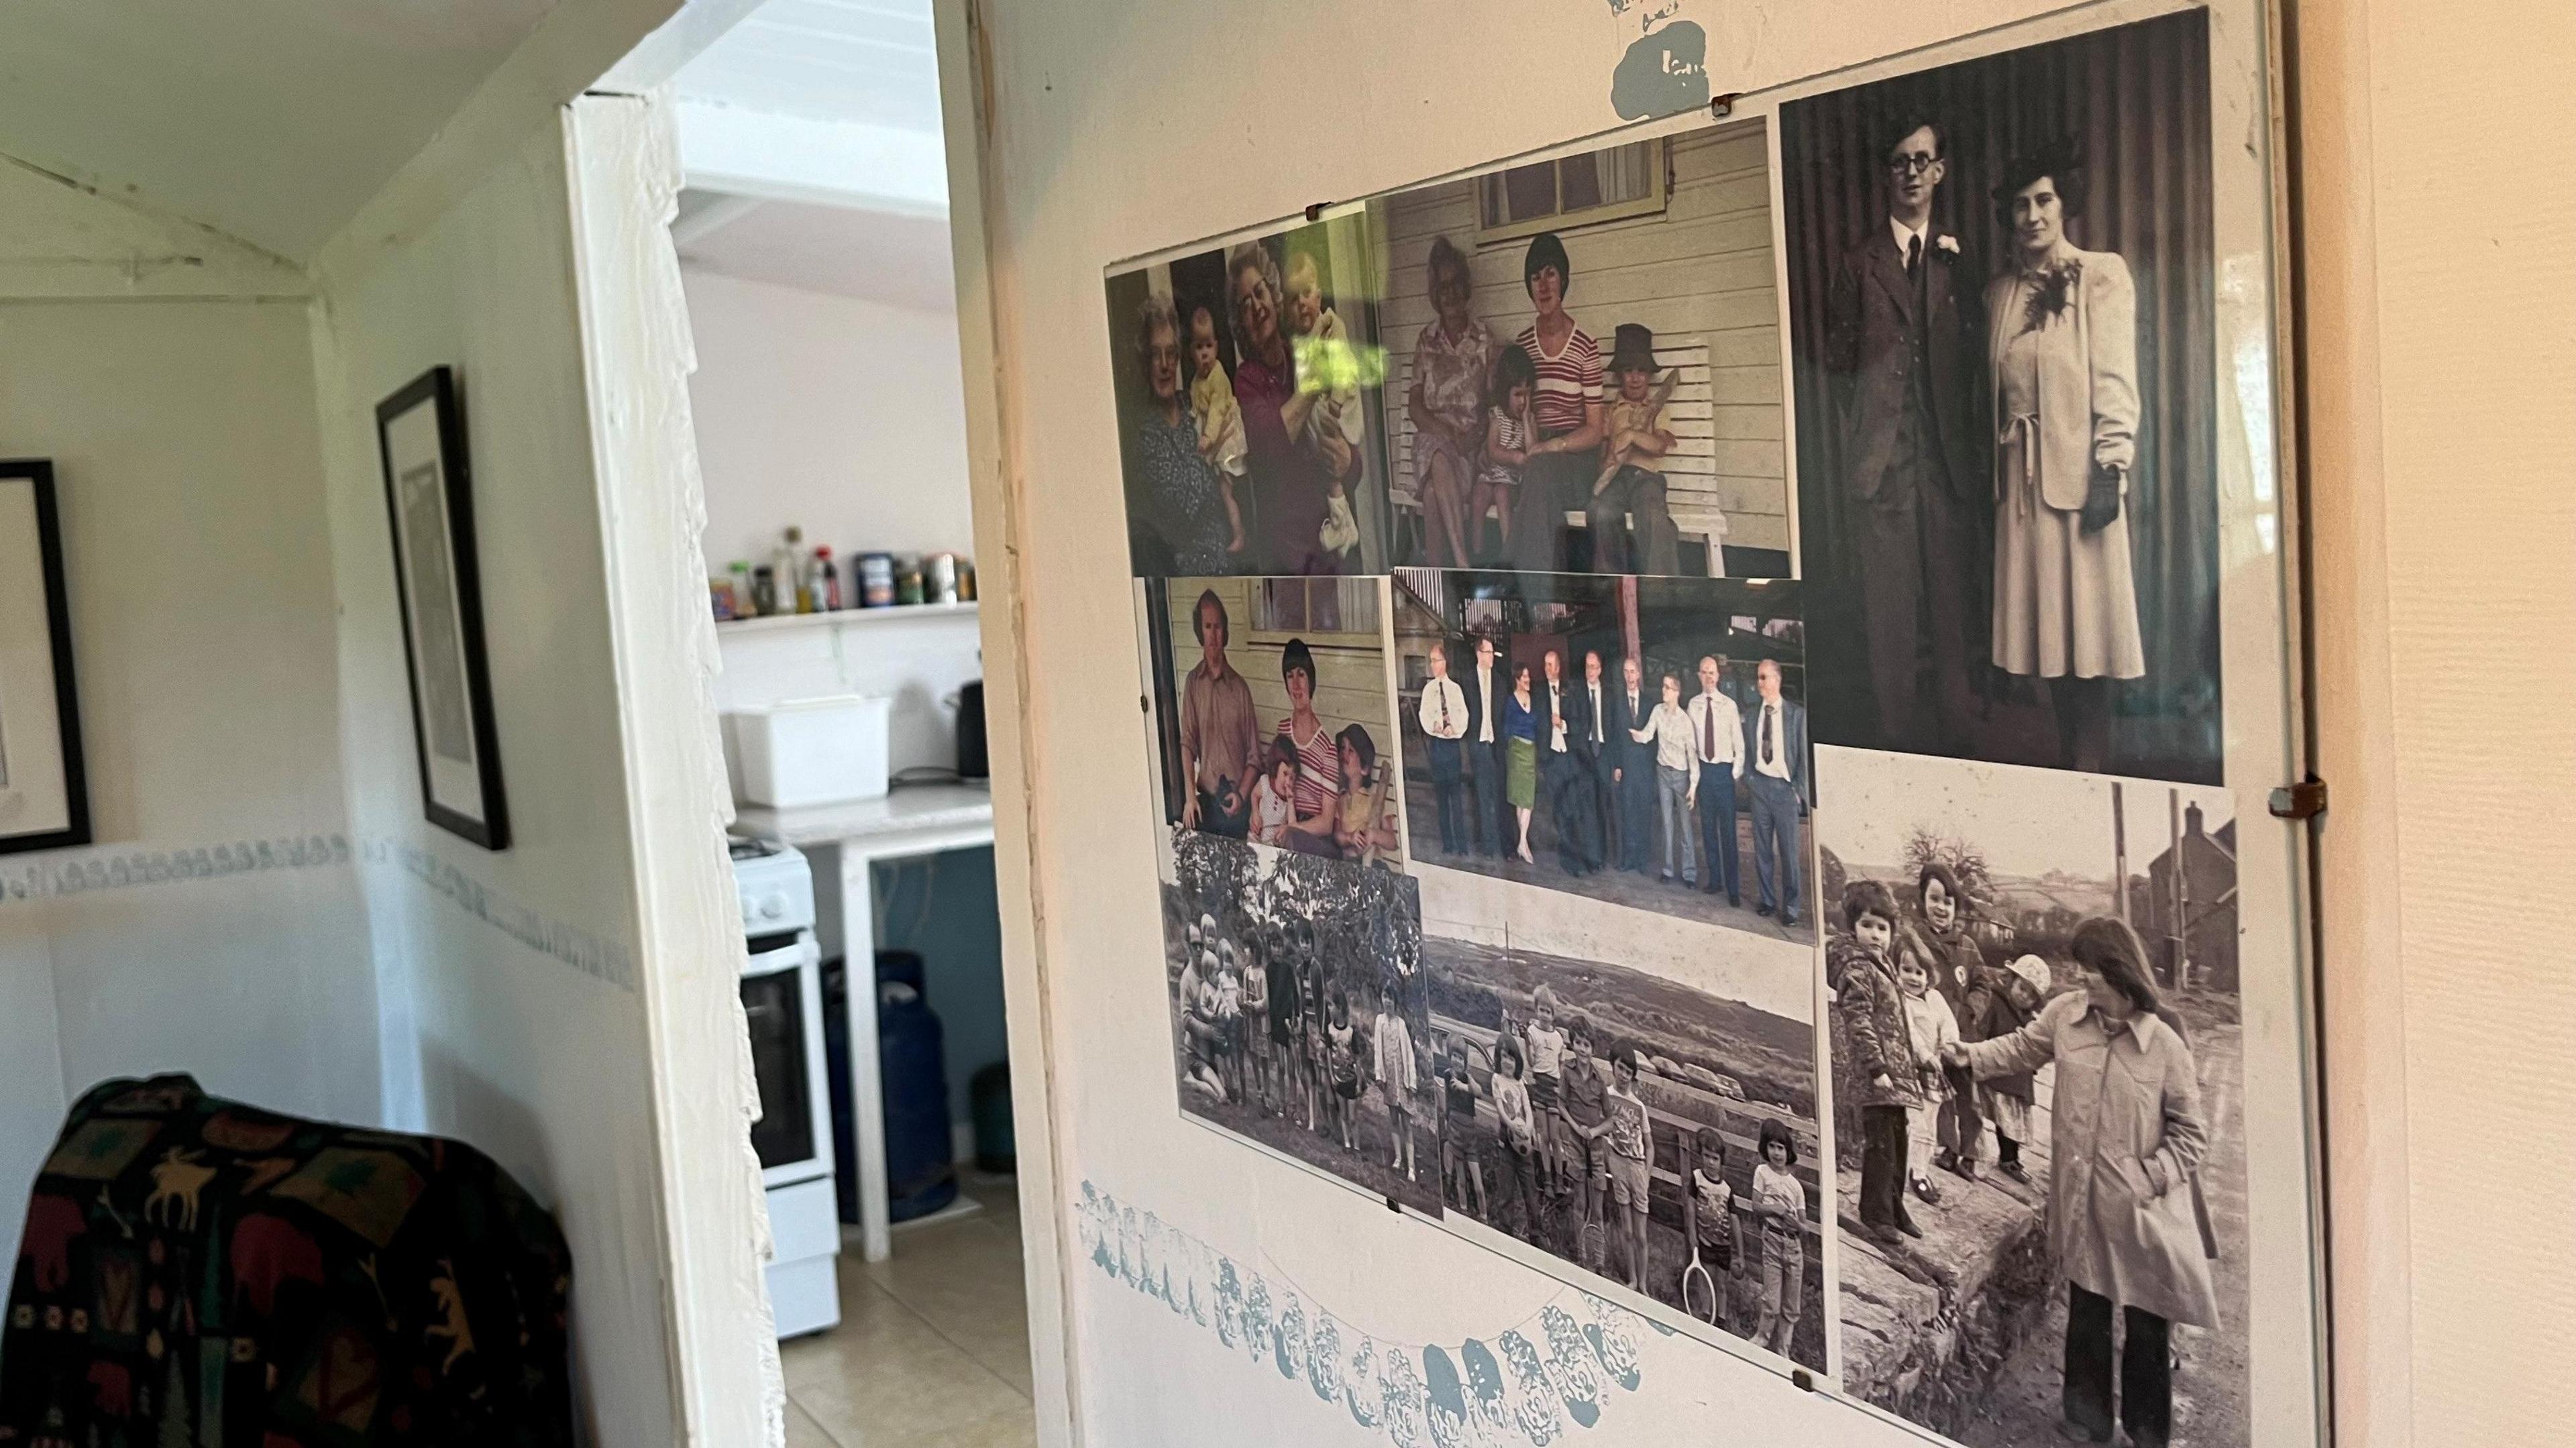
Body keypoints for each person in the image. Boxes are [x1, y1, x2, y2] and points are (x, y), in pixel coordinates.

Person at [1946, 917, 2217, 1448]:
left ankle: (2145, 1430)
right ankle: (2086, 1419)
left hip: (2144, 1208)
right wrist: (1971, 1056)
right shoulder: (2064, 1017)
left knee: (2146, 1321)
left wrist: (2149, 1175)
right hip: (2084, 1199)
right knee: (2089, 1305)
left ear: (2118, 973)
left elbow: (2192, 1134)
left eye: (2089, 969)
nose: (2080, 978)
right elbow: (2022, 1048)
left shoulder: (2165, 1044)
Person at [1824, 115, 1986, 753]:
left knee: (1951, 603)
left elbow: (1972, 360)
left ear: (1939, 171)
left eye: (1923, 160)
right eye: (1900, 161)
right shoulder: (1857, 264)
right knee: (1890, 611)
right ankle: (1896, 734)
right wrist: (1875, 428)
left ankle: (1958, 728)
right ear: (1886, 174)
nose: (1912, 172)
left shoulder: (1956, 260)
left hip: (1944, 461)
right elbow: (1838, 368)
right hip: (1884, 463)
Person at [1984, 137, 2147, 773]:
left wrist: (2112, 465)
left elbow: (2113, 375)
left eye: (2044, 200)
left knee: (2090, 634)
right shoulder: (1998, 294)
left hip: (2081, 481)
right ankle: (2064, 758)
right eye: (2021, 204)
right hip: (2020, 488)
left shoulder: (2100, 274)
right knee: (2048, 635)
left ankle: (2092, 763)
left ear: (2063, 205)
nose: (2033, 215)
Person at [1230, 241, 1354, 574]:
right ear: (1240, 322)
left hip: (1329, 548)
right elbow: (1269, 444)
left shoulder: (1303, 351)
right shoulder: (1247, 380)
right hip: (1288, 558)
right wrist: (1311, 388)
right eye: (1245, 304)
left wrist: (1348, 460)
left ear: (1275, 297)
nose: (1256, 307)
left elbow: (1344, 441)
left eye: (1260, 293)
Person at [1506, 233, 1607, 572]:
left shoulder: (1584, 345)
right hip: (1536, 451)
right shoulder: (1523, 344)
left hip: (1576, 457)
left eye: (1550, 273)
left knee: (1539, 478)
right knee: (1536, 479)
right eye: (1535, 277)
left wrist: (1554, 447)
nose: (1543, 285)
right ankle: (1537, 596)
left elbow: (1595, 431)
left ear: (1563, 279)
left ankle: (1517, 585)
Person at [1836, 880, 1923, 1241]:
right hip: (1877, 1076)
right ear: (1853, 927)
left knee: (1899, 1141)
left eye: (1882, 928)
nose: (1875, 935)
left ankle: (1895, 1206)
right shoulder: (1858, 969)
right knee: (1881, 1145)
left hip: (1897, 1077)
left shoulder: (1884, 966)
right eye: (1867, 926)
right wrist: (1877, 1067)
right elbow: (1859, 1019)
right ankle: (1875, 1212)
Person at [1127, 294, 1237, 575]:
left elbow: (1233, 442)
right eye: (1155, 354)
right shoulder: (1144, 432)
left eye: (1171, 353)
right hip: (1187, 575)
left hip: (1228, 561)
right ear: (1144, 362)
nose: (1165, 365)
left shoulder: (1192, 403)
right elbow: (1184, 505)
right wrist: (1215, 448)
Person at [1407, 237, 1497, 565]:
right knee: (1439, 454)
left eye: (1457, 284)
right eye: (1443, 287)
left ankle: (1439, 598)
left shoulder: (1484, 339)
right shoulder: (1426, 340)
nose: (1451, 294)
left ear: (1467, 286)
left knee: (1432, 497)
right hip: (1433, 444)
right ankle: (1462, 562)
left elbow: (1493, 402)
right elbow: (1416, 407)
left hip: (1469, 451)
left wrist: (1482, 442)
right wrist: (1447, 435)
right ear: (1435, 294)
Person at [1282, 249, 1366, 565]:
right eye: (1293, 299)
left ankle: (1343, 523)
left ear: (1319, 295)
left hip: (1341, 407)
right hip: (1324, 413)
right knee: (1323, 449)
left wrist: (1334, 404)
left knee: (1325, 441)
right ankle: (1343, 523)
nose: (1302, 303)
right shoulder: (1299, 343)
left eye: (1307, 294)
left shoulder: (1332, 327)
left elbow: (1345, 371)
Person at [1588, 323, 1683, 574]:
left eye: (1642, 370)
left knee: (1654, 517)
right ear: (1619, 375)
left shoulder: (1656, 409)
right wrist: (1607, 459)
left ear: (1650, 376)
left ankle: (1660, 591)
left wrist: (1631, 435)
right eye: (1628, 370)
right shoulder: (1612, 411)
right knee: (1601, 512)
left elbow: (1659, 446)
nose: (1635, 377)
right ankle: (1612, 588)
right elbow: (1605, 454)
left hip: (1646, 480)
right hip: (1616, 479)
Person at [1915, 862, 1988, 1180]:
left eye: (1948, 901)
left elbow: (1982, 984)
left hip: (1963, 1039)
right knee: (1940, 1096)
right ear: (1923, 901)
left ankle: (1970, 1153)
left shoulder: (1968, 947)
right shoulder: (1914, 941)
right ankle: (1949, 1148)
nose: (1941, 908)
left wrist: (1972, 1010)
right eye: (1934, 899)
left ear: (1956, 907)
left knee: (1968, 1098)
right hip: (1931, 1039)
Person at [1177, 590, 1261, 837]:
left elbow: (1255, 757)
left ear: (1225, 632)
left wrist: (1241, 795)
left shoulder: (1240, 688)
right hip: (1207, 802)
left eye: (1218, 627)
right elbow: (1187, 743)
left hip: (1237, 802)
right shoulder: (1193, 683)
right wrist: (1190, 797)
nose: (1213, 635)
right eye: (1207, 627)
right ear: (1199, 632)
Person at [1965, 952, 2052, 1181]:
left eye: (2032, 995)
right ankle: (1966, 1152)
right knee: (1974, 1112)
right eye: (2022, 988)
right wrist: (1974, 1051)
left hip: (2016, 1078)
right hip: (1992, 1070)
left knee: (2011, 1122)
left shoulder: (2033, 1020)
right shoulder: (1996, 1002)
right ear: (2012, 980)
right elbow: (1982, 1029)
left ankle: (2009, 1158)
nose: (2025, 996)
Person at [1741, 660, 1809, 926]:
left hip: (1784, 791)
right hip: (1760, 787)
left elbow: (1803, 758)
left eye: (1764, 678)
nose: (1759, 683)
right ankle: (1767, 901)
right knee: (1762, 850)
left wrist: (1797, 791)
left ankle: (1791, 908)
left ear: (1777, 680)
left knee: (1790, 854)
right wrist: (1750, 779)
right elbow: (1748, 750)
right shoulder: (1752, 714)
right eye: (1758, 678)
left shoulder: (1796, 715)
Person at [1894, 937, 1960, 1208]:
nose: (1913, 978)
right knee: (1916, 1124)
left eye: (1919, 972)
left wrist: (1948, 1045)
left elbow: (1948, 1023)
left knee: (1930, 1125)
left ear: (1928, 976)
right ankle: (1913, 1173)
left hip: (1933, 1070)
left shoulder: (1934, 998)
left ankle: (1921, 1169)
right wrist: (1926, 1055)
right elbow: (1909, 1032)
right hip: (1913, 1068)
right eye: (1906, 970)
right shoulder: (1901, 1000)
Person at [1185, 302, 1250, 558]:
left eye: (1209, 346)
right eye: (1199, 347)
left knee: (1227, 488)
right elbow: (1196, 409)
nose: (1205, 354)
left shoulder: (1218, 375)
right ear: (1191, 351)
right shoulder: (1196, 382)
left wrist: (1209, 437)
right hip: (1212, 440)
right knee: (1220, 489)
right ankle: (1233, 531)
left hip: (1226, 438)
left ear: (1217, 346)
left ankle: (1239, 533)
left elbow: (1217, 412)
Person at [1273, 639, 1346, 856]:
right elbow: (1273, 784)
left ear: (1311, 680)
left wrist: (1292, 829)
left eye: (1301, 675)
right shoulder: (1283, 730)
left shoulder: (1328, 748)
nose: (1296, 685)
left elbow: (1326, 823)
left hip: (1318, 841)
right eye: (1290, 676)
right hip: (1286, 826)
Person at [1628, 671, 1700, 886]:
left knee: (1686, 826)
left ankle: (1689, 873)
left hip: (1681, 776)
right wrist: (1637, 735)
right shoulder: (1658, 712)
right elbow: (1649, 733)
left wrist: (1693, 786)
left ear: (1677, 692)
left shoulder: (1685, 721)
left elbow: (1692, 755)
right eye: (1663, 686)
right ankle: (1668, 870)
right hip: (1663, 773)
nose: (1664, 691)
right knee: (1667, 823)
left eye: (1668, 687)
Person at [1686, 655, 1745, 906]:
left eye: (1712, 672)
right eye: (1704, 672)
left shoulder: (1729, 706)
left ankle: (1733, 889)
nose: (1708, 677)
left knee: (1728, 834)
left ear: (1718, 676)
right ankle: (1715, 880)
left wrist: (1732, 774)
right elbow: (1690, 745)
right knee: (1708, 830)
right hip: (1704, 773)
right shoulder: (1693, 705)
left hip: (1723, 773)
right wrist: (1695, 778)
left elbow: (1739, 745)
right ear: (1699, 675)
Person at [1749, 1119, 1808, 1357]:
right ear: (1766, 1148)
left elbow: (1805, 1227)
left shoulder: (1795, 1187)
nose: (1776, 1153)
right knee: (1771, 1299)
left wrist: (1797, 1224)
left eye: (1781, 1148)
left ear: (1788, 1151)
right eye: (1772, 1146)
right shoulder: (1762, 1173)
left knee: (1791, 1305)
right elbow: (1755, 1206)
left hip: (1793, 1246)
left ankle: (1783, 1349)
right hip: (1772, 1241)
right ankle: (1762, 1338)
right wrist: (1776, 1210)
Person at [1557, 1015, 1611, 1264]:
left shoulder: (1600, 1080)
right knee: (1579, 1204)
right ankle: (1582, 1257)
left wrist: (1595, 1131)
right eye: (1578, 1043)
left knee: (1598, 1209)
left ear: (1592, 1048)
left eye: (1587, 1045)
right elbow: (1561, 1104)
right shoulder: (1567, 1072)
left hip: (1596, 1149)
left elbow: (1610, 1120)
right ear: (1573, 1044)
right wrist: (1576, 1128)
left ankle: (1598, 1261)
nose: (1582, 1049)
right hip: (1576, 1145)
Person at [1539, 649, 1598, 877]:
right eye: (1545, 664)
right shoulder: (1539, 693)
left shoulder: (1571, 690)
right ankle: (1569, 863)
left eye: (1551, 664)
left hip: (1571, 759)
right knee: (1560, 813)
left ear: (1559, 667)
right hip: (1553, 760)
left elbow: (1583, 723)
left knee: (1576, 810)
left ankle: (1585, 858)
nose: (1547, 669)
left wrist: (1563, 725)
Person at [1477, 347, 1538, 555]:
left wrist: (1527, 420)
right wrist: (1514, 456)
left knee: (1502, 492)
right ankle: (1477, 552)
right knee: (1478, 495)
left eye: (1528, 394)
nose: (1523, 401)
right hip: (1492, 474)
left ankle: (1508, 552)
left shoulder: (1529, 419)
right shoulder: (1497, 416)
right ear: (1506, 393)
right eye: (1518, 394)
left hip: (1513, 481)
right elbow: (1492, 451)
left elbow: (1533, 452)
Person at [1603, 1050, 1655, 1292]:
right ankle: (1632, 1279)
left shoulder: (1639, 1107)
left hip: (1637, 1167)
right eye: (1620, 1068)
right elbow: (1603, 1130)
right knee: (1626, 1229)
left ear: (1633, 1076)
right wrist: (1610, 1159)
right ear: (1613, 1066)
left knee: (1641, 1235)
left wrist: (1647, 1173)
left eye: (1628, 1071)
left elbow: (1650, 1144)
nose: (1623, 1075)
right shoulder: (1607, 1095)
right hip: (1619, 1164)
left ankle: (1644, 1284)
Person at [1417, 641, 1471, 855]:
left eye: (1436, 660)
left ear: (1445, 662)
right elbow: (1424, 715)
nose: (1433, 665)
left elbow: (1463, 716)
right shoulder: (1429, 690)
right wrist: (1435, 726)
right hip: (1437, 746)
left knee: (1456, 797)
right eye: (1431, 661)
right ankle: (1447, 843)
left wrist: (1453, 728)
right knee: (1441, 797)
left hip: (1452, 746)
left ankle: (1461, 845)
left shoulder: (1455, 689)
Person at [1682, 1127, 1736, 1328]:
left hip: (1723, 1244)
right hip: (1704, 1240)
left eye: (1715, 1158)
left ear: (1721, 1162)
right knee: (1705, 1278)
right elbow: (1690, 1207)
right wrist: (1693, 1233)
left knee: (1721, 1284)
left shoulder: (1727, 1189)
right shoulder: (1697, 1178)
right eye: (1707, 1156)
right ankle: (1706, 1314)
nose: (1710, 1162)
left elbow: (1734, 1219)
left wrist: (1738, 1251)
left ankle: (1720, 1319)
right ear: (1701, 1155)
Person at [1490, 1019, 1539, 1239]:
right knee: (1506, 1193)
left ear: (1516, 1059)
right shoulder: (1497, 1080)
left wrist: (1527, 1129)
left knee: (1530, 1193)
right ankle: (1505, 1234)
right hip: (1507, 1144)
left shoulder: (1520, 1083)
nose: (1507, 1062)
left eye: (1511, 1057)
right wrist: (1512, 1127)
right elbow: (1501, 1108)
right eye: (1503, 1057)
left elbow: (1528, 1109)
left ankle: (1538, 1236)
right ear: (1499, 1060)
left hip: (1524, 1143)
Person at [1607, 656, 1656, 872]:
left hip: (1644, 768)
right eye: (1626, 672)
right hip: (1626, 767)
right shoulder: (1617, 703)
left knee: (1644, 812)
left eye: (1632, 672)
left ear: (1639, 674)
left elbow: (1654, 739)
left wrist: (1653, 765)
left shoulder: (1649, 703)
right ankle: (1628, 858)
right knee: (1627, 813)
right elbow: (1614, 736)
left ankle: (1643, 860)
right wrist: (1617, 765)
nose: (1629, 676)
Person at [1567, 650, 1613, 875]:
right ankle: (1591, 857)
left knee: (1603, 806)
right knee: (1587, 809)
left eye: (1594, 667)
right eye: (1587, 667)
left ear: (1601, 669)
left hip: (1603, 754)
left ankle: (1603, 855)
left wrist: (1615, 764)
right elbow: (1575, 727)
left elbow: (1613, 730)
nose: (1591, 671)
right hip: (1585, 756)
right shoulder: (1577, 694)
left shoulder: (1609, 694)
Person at [1464, 634, 1507, 857]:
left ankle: (1501, 843)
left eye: (1493, 653)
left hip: (1496, 745)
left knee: (1498, 794)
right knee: (1482, 796)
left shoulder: (1500, 681)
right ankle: (1487, 847)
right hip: (1478, 744)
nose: (1492, 657)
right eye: (1489, 653)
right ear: (1479, 654)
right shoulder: (1468, 680)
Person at [1523, 986, 1567, 1197]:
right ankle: (1548, 1181)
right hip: (1539, 1085)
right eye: (1541, 1010)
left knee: (1555, 1138)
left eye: (1548, 1012)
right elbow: (1531, 1063)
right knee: (1544, 1137)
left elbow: (1561, 1064)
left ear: (1553, 1014)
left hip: (1554, 1088)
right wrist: (1526, 1042)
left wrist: (1560, 1087)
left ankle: (1560, 1181)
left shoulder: (1559, 1038)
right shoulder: (1532, 1032)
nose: (1545, 1015)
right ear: (1536, 1010)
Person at [1374, 985, 1420, 1182]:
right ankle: (1398, 1159)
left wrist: (1411, 1081)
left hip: (1403, 1080)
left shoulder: (1401, 1024)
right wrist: (1379, 1075)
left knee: (1406, 1123)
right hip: (1390, 1080)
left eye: (1391, 998)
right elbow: (1378, 1049)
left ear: (1396, 1001)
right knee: (1393, 1119)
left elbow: (1409, 1053)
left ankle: (1411, 1167)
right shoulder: (1380, 1021)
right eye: (1385, 997)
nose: (1388, 1002)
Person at [1332, 726, 1397, 865]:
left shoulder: (1374, 800)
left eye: (1351, 750)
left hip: (1373, 863)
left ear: (1365, 768)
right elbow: (1336, 835)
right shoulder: (1339, 800)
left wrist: (1374, 835)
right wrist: (1350, 837)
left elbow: (1392, 842)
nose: (1344, 754)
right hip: (1349, 864)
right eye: (1343, 748)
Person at [1440, 1039, 1489, 1217]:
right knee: (1461, 1180)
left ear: (1465, 1061)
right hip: (1455, 1131)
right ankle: (1464, 1212)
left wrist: (1464, 1086)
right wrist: (1446, 1119)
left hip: (1470, 1135)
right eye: (1454, 1056)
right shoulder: (1447, 1075)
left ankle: (1484, 1218)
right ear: (1450, 1056)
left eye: (1460, 1058)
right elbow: (1447, 1098)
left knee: (1479, 1187)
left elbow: (1480, 1093)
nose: (1457, 1061)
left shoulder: (1468, 1078)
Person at [1502, 661, 1540, 865]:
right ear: (1517, 679)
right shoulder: (1510, 701)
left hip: (1530, 751)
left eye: (1528, 677)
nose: (1527, 680)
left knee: (1528, 800)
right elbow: (1506, 729)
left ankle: (1522, 842)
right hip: (1517, 752)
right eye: (1524, 677)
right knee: (1520, 799)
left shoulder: (1533, 699)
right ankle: (1522, 844)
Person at [1326, 989, 1362, 1153]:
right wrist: (1331, 1075)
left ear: (1339, 1008)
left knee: (1353, 1117)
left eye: (1331, 1005)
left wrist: (1359, 1082)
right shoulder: (1330, 1030)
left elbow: (1357, 1058)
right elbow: (1328, 1052)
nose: (1330, 1009)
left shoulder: (1350, 1032)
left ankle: (1357, 1147)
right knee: (1344, 1115)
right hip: (1337, 1077)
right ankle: (1347, 1143)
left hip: (1351, 1079)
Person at [1240, 932, 1271, 1116]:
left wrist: (1253, 1005)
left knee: (1264, 1060)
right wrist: (1244, 1003)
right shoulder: (1246, 972)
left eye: (1247, 948)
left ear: (1254, 950)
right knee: (1253, 1056)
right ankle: (1260, 1092)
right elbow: (1245, 994)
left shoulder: (1261, 974)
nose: (1245, 951)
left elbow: (1265, 1002)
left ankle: (1267, 1095)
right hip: (1250, 1023)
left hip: (1261, 1023)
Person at [1248, 734, 1297, 847]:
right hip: (1257, 836)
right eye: (1285, 774)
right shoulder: (1266, 782)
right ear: (1276, 767)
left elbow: (1293, 824)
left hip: (1274, 843)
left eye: (1292, 777)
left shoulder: (1289, 796)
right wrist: (1255, 812)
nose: (1288, 781)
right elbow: (1254, 795)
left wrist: (1290, 801)